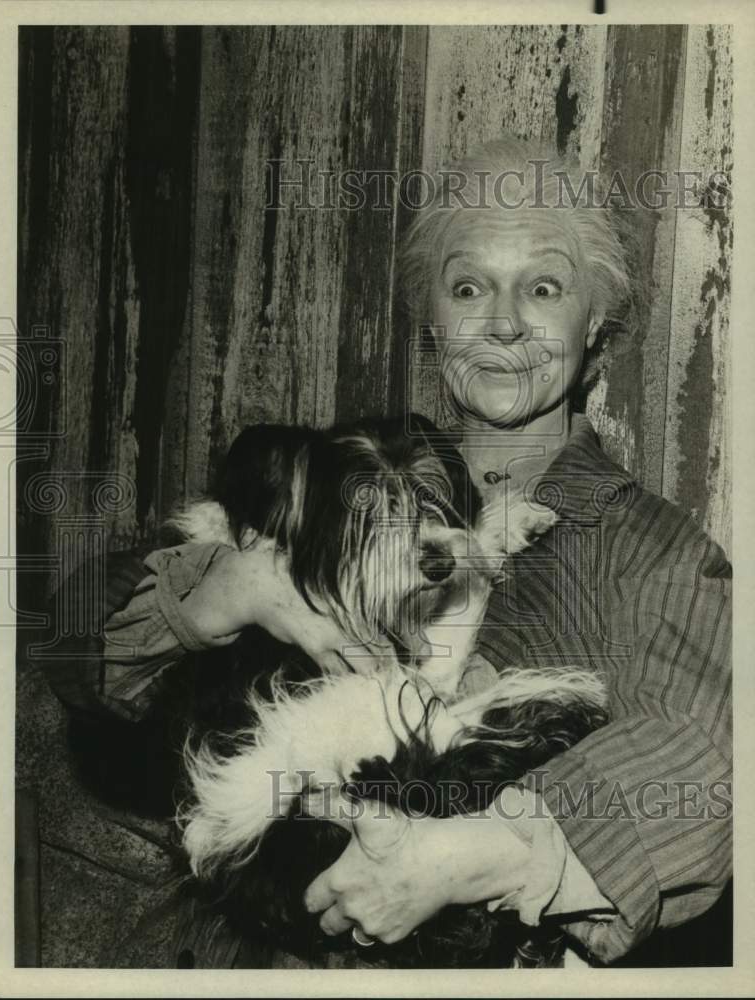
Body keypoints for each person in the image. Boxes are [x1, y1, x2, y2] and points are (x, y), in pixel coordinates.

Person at [45, 136, 731, 966]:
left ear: (595, 323)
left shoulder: (651, 548)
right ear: (434, 319)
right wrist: (232, 589)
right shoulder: (344, 475)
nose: (504, 320)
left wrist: (468, 858)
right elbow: (79, 653)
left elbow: (705, 762)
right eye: (468, 287)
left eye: (544, 288)